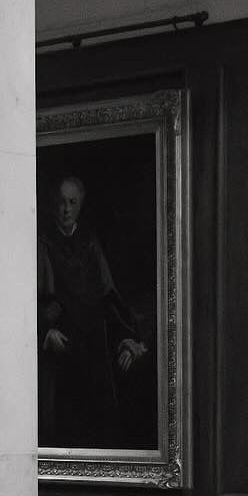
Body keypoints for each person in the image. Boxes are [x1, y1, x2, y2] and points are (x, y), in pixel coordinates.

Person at [38, 174, 150, 448]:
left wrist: (127, 338)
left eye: (72, 202)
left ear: (81, 205)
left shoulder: (90, 242)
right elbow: (27, 300)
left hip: (94, 344)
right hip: (61, 346)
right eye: (61, 202)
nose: (66, 209)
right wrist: (44, 331)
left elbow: (108, 296)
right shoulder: (41, 242)